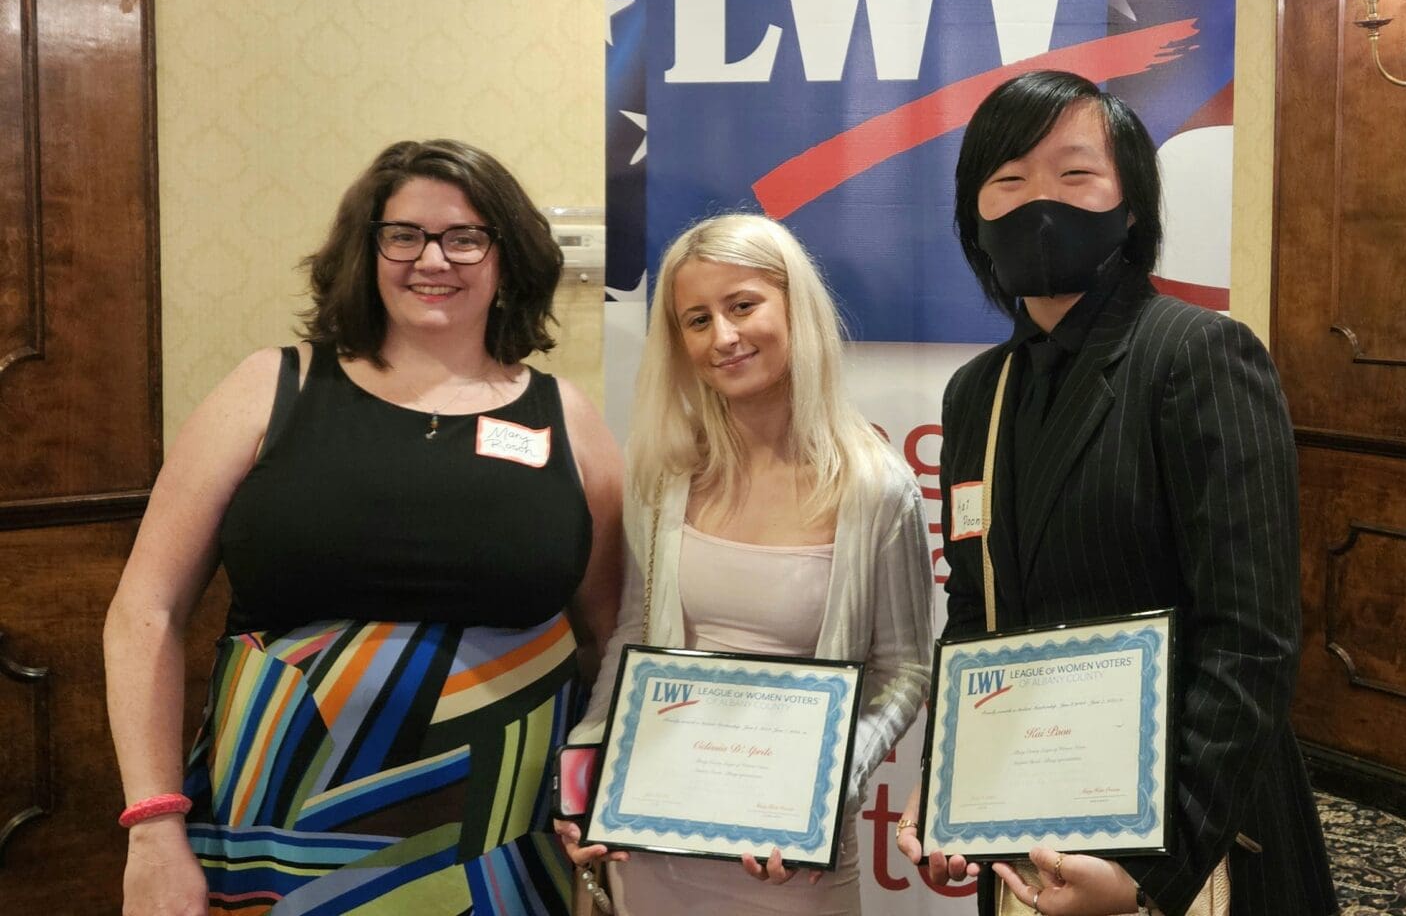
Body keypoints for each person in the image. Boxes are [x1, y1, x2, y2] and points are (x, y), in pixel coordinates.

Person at [104, 139, 623, 916]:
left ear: (507, 259)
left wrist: (606, 807)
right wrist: (151, 826)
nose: (432, 259)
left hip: (501, 844)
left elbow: (610, 639)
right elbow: (146, 612)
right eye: (404, 235)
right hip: (277, 827)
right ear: (367, 249)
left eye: (466, 237)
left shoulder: (568, 419)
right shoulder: (269, 387)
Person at [896, 72, 1336, 916]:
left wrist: (1153, 874)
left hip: (1194, 836)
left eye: (1075, 174)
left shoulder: (1200, 356)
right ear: (975, 217)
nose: (1040, 203)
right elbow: (978, 614)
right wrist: (948, 785)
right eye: (1009, 181)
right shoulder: (975, 394)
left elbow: (1252, 639)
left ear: (1130, 206)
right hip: (1033, 824)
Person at [554, 214, 932, 916]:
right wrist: (588, 762)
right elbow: (634, 634)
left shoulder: (876, 488)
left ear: (795, 307)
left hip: (791, 865)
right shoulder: (666, 474)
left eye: (742, 306)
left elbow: (906, 670)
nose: (722, 337)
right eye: (696, 320)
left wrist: (831, 786)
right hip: (652, 845)